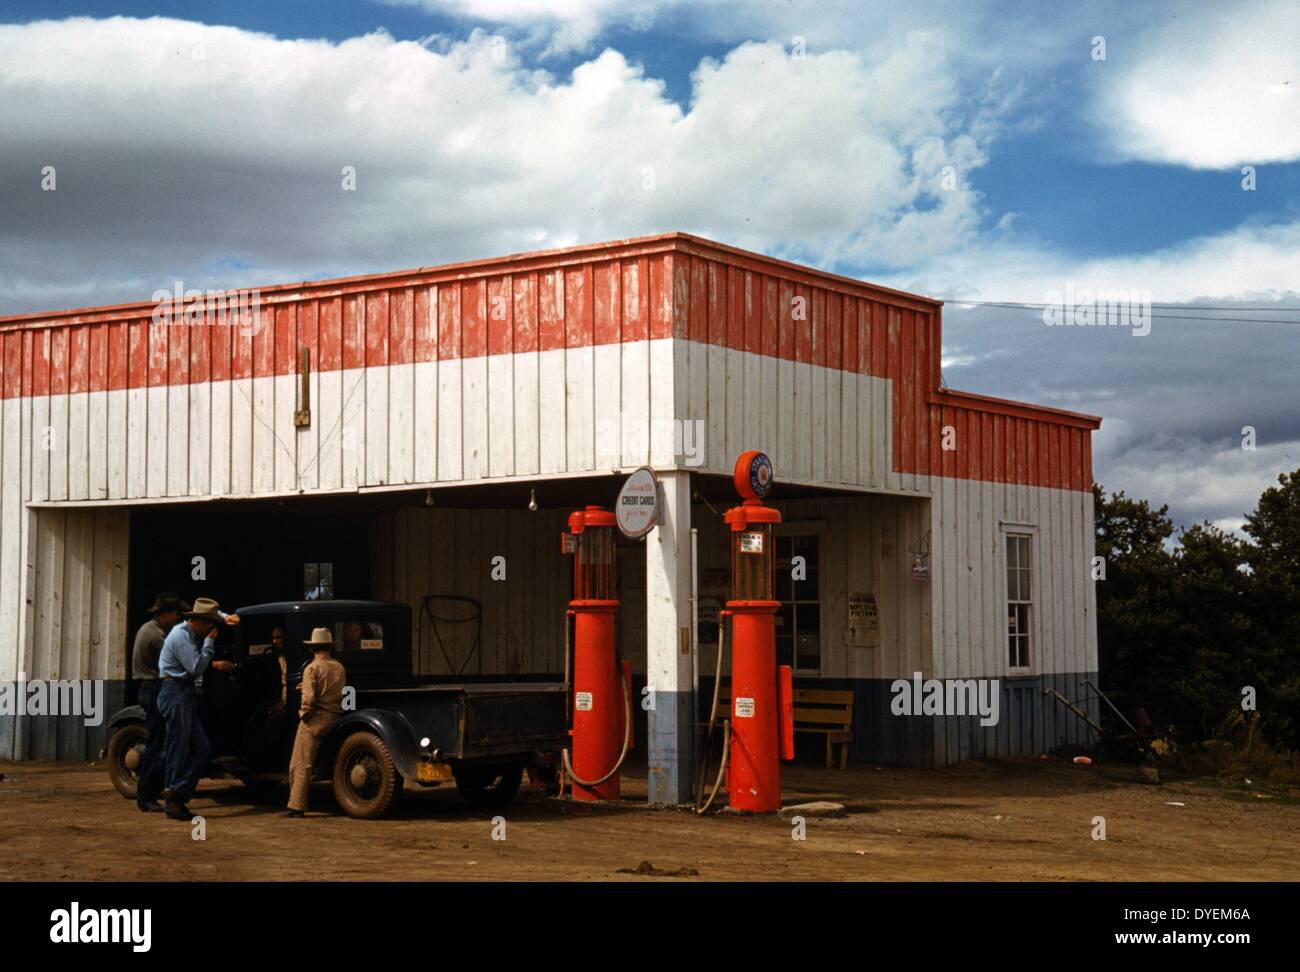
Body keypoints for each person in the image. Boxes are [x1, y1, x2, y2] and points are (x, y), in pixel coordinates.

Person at [155, 597, 238, 821]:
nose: (212, 630)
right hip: (176, 692)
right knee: (179, 749)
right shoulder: (181, 637)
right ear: (199, 623)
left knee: (201, 749)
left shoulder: (192, 629)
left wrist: (225, 616)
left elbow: (211, 613)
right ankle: (174, 801)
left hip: (184, 693)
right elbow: (195, 668)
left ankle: (176, 791)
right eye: (209, 626)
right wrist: (210, 645)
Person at [130, 593, 190, 812]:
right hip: (154, 688)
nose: (177, 619)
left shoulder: (150, 629)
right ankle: (145, 795)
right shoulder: (155, 636)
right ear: (165, 613)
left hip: (150, 687)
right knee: (159, 744)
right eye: (175, 614)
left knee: (159, 742)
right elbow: (177, 660)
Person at [283, 628, 347, 818]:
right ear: (330, 647)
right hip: (334, 717)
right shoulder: (339, 667)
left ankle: (296, 805)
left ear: (312, 649)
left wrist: (303, 713)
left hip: (316, 720)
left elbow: (309, 698)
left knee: (300, 763)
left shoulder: (311, 668)